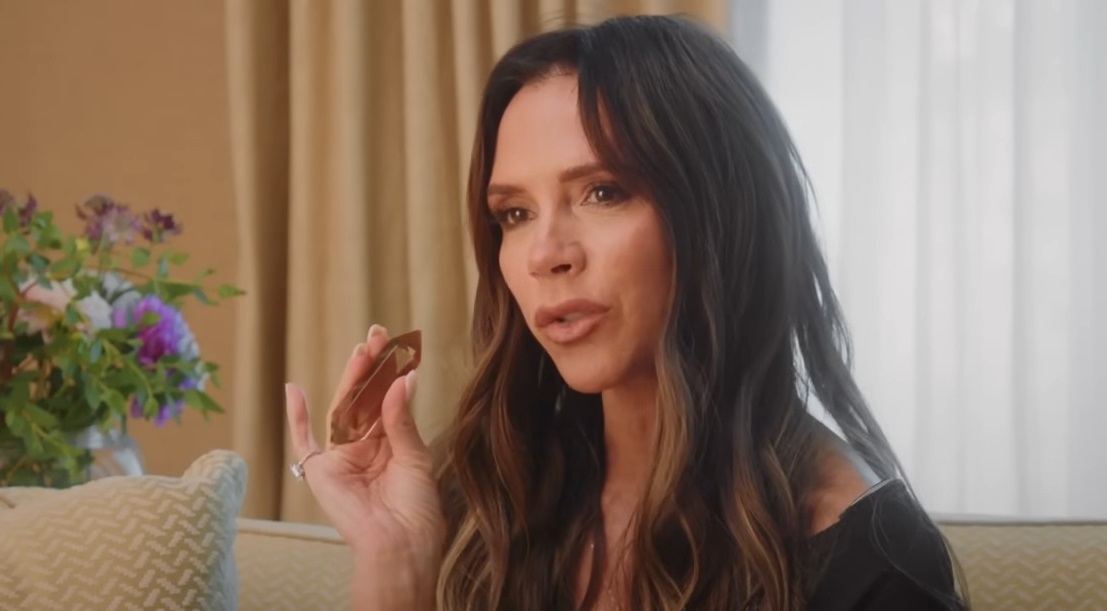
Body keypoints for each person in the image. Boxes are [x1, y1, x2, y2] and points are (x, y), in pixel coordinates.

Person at [284, 14, 966, 611]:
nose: (543, 255)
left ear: (720, 214)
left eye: (603, 192)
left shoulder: (872, 566)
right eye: (514, 214)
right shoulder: (485, 498)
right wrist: (394, 567)